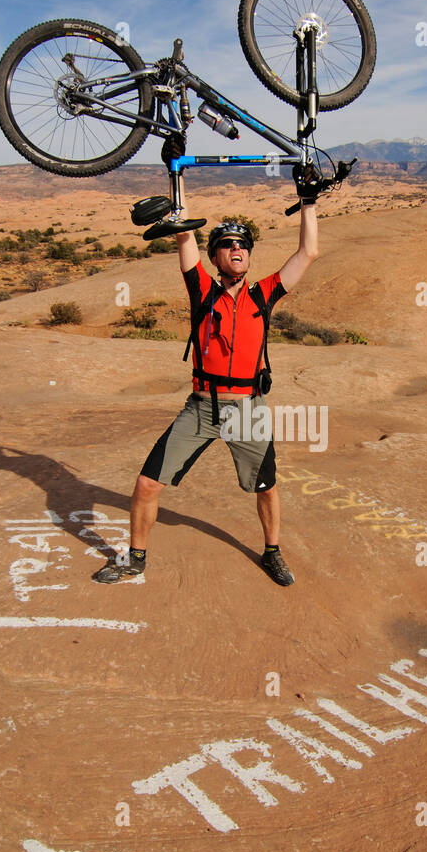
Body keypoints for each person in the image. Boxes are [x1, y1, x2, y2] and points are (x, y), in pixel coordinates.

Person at [93, 171, 319, 587]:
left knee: (265, 487)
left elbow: (307, 252)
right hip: (201, 408)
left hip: (247, 409)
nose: (236, 249)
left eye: (242, 246)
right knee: (147, 484)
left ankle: (272, 552)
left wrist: (308, 200)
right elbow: (183, 234)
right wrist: (175, 169)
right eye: (226, 246)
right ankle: (135, 558)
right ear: (214, 258)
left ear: (249, 257)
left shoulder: (263, 294)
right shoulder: (201, 290)